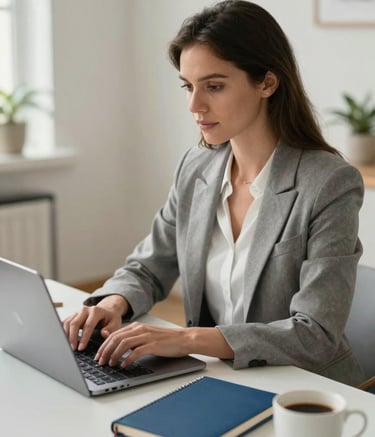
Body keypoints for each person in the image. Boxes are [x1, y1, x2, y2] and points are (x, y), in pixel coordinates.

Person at [63, 0, 365, 386]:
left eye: (214, 86)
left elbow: (316, 333)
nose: (194, 105)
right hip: (222, 377)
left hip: (305, 390)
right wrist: (113, 303)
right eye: (188, 86)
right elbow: (149, 265)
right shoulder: (198, 167)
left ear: (267, 83)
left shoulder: (328, 183)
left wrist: (185, 339)